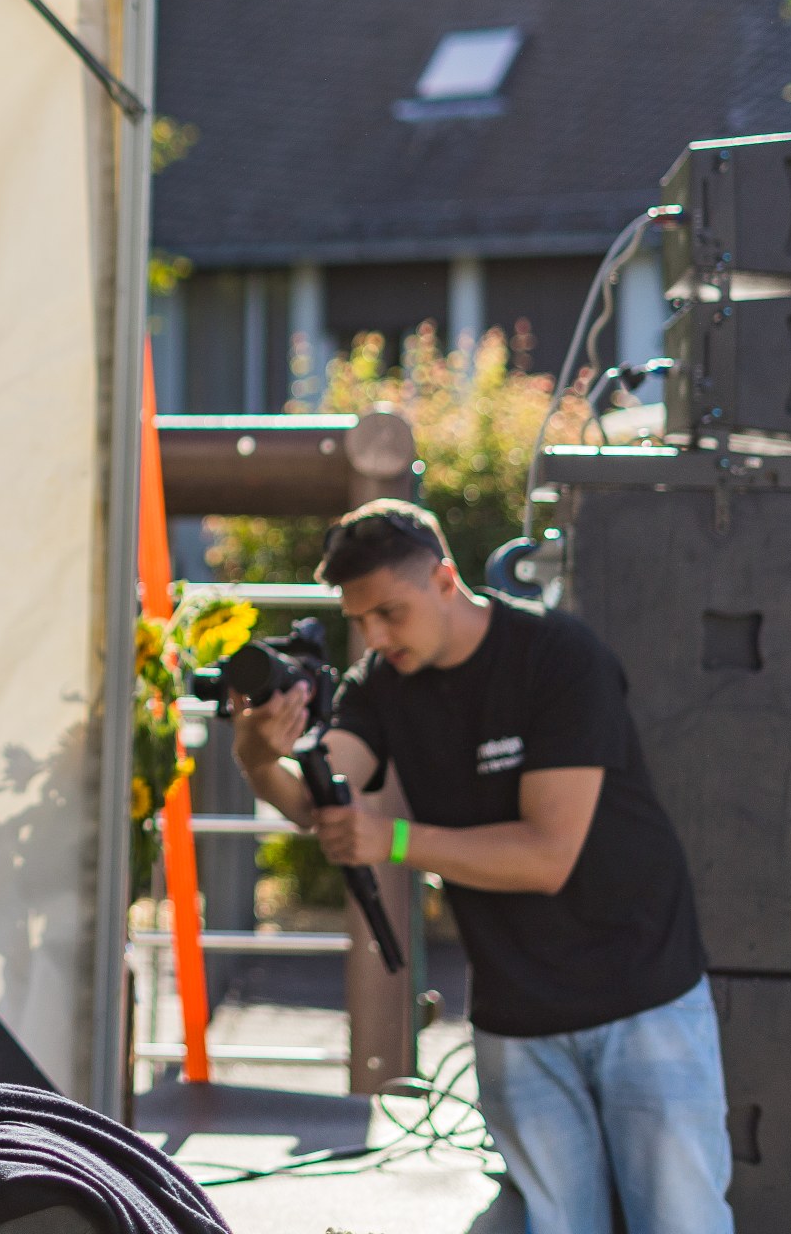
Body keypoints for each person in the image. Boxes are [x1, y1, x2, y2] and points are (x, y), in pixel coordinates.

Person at [234, 501, 729, 1233]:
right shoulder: (382, 683)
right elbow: (321, 801)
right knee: (554, 1226)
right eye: (360, 620)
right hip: (515, 1009)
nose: (376, 637)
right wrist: (257, 753)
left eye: (390, 613)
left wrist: (391, 841)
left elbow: (547, 856)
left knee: (680, 1222)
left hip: (641, 994)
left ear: (445, 579)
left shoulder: (557, 655)